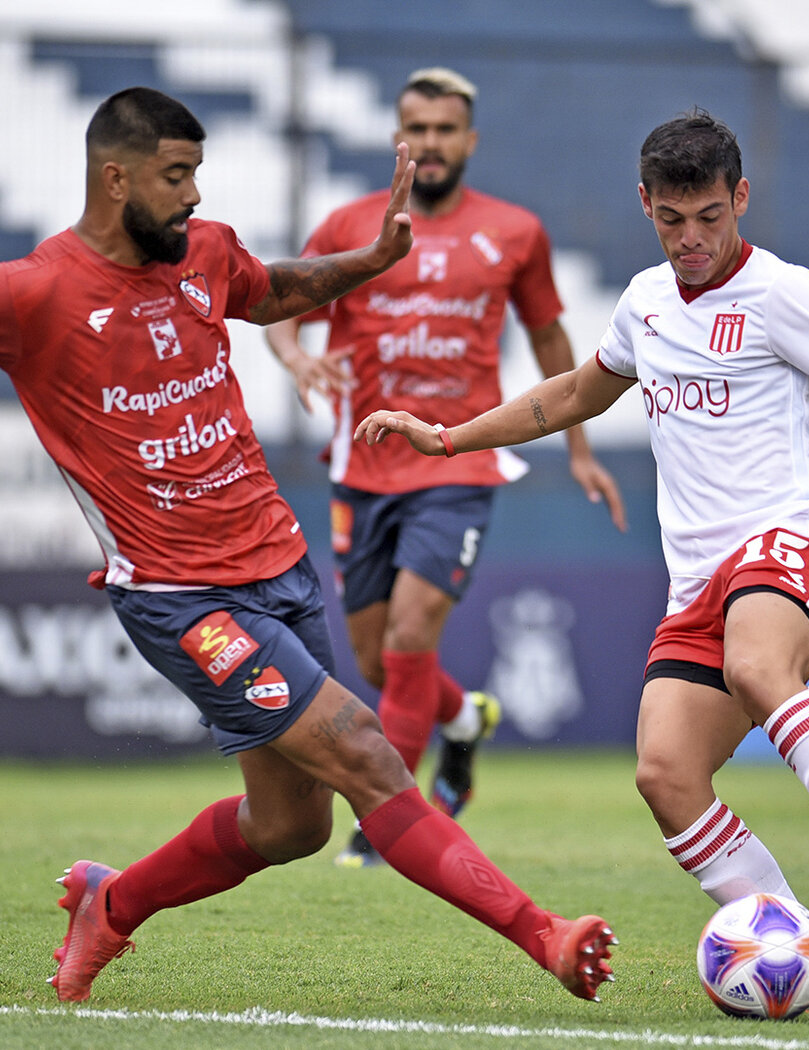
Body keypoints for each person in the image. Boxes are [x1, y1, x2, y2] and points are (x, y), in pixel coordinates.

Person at [0, 86, 615, 1005]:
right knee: (366, 749)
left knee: (291, 825)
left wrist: (370, 259)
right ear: (113, 176)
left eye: (199, 173)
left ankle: (111, 902)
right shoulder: (36, 292)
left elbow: (276, 289)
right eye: (176, 177)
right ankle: (546, 934)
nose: (195, 196)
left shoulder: (202, 253)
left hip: (278, 566)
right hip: (181, 598)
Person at [356, 109, 809, 1006]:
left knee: (759, 664)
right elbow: (577, 393)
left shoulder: (785, 294)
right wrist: (450, 438)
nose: (692, 241)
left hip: (789, 540)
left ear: (741, 199)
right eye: (672, 221)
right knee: (665, 772)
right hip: (698, 580)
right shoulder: (645, 302)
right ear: (646, 204)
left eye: (710, 219)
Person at [265, 67, 625, 866]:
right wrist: (295, 358)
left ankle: (385, 824)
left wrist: (578, 448)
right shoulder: (349, 225)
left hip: (458, 462)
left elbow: (554, 343)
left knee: (410, 632)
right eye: (415, 129)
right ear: (399, 136)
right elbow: (280, 310)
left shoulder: (516, 232)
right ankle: (462, 721)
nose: (428, 144)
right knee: (377, 660)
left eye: (443, 130)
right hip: (362, 465)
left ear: (469, 141)